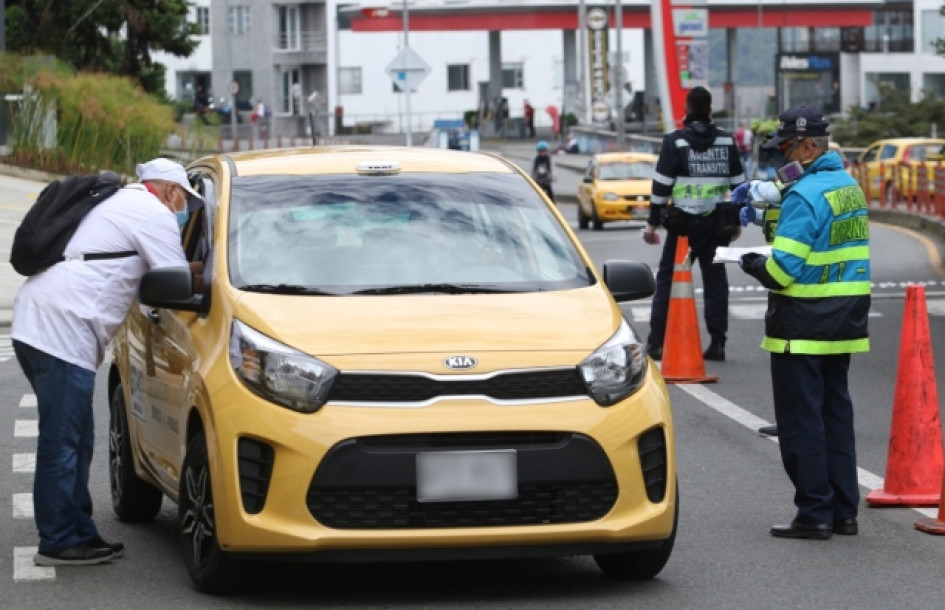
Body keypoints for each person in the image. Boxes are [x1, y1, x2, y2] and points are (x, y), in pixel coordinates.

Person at [12, 158, 203, 566]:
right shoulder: (153, 212)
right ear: (170, 190)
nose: (185, 207)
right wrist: (212, 277)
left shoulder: (122, 204)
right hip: (59, 331)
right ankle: (59, 540)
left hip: (44, 323)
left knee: (77, 438)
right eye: (185, 198)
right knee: (63, 440)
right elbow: (175, 280)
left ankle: (79, 530)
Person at [738, 105, 870, 540]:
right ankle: (843, 511)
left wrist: (752, 261)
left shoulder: (805, 195)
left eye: (788, 149)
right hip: (844, 319)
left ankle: (814, 512)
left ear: (809, 146)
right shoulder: (848, 187)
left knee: (801, 423)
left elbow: (782, 270)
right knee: (835, 416)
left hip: (802, 323)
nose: (782, 160)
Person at [641, 86, 746, 362]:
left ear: (686, 111)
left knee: (668, 281)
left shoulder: (674, 142)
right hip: (715, 227)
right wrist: (736, 221)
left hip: (682, 228)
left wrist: (652, 223)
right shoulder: (726, 142)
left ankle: (657, 343)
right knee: (715, 282)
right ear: (711, 111)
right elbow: (739, 186)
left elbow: (661, 187)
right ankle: (718, 343)